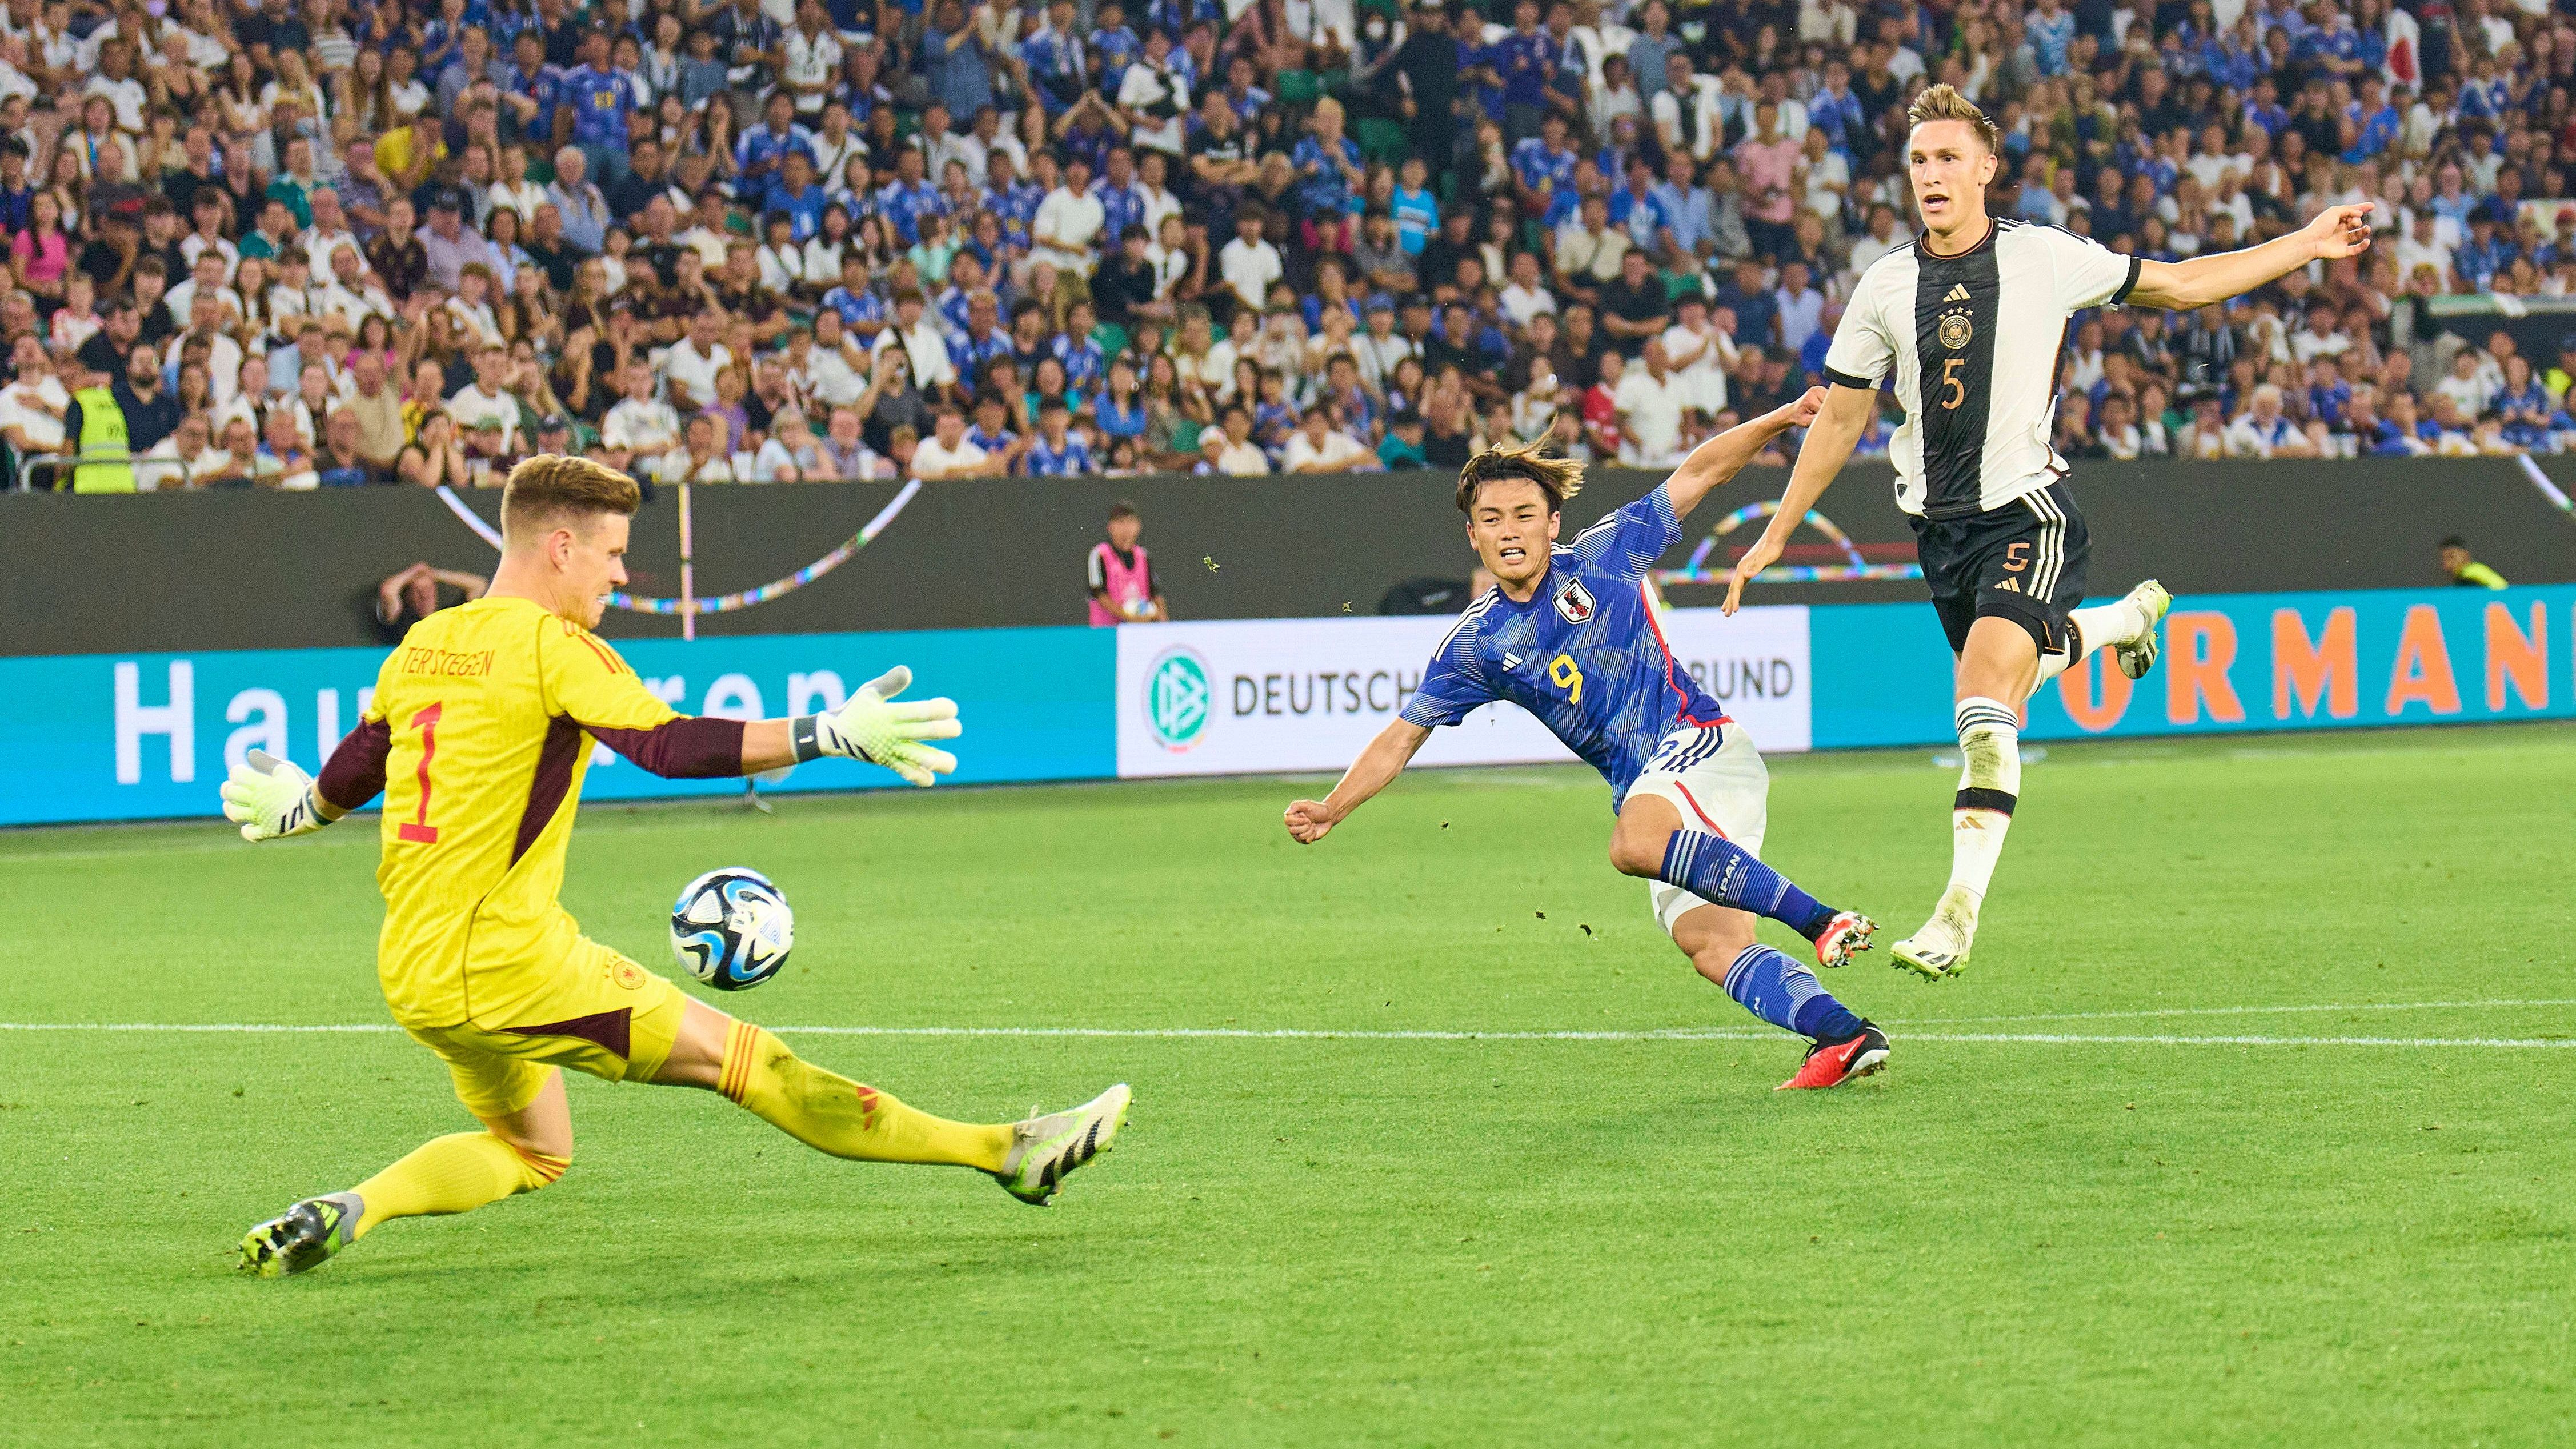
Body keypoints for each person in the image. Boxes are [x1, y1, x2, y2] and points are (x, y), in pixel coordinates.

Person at [223, 457, 1129, 1278]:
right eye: (613, 554)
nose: (621, 574)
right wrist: (826, 734)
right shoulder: (553, 649)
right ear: (562, 546)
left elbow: (356, 766)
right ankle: (1005, 1153)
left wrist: (300, 809)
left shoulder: (426, 644)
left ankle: (353, 1206)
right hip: (506, 965)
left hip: (414, 974)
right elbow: (667, 746)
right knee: (758, 1067)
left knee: (535, 1153)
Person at [1722, 84, 2374, 980]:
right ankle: (2120, 624)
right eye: (1918, 160)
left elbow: (2180, 287)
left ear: (1988, 169)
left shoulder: (2043, 258)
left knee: (1983, 705)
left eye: (1949, 157)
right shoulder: (1884, 284)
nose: (1931, 175)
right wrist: (1776, 533)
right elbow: (1837, 422)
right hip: (1941, 535)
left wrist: (2305, 241)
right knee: (2012, 683)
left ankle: (1956, 913)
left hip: (2030, 512)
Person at [1284, 404, 1890, 1091]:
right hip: (1651, 788)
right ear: (1473, 536)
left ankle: (1821, 919)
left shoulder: (1605, 555)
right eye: (1492, 519)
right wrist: (1335, 807)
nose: (1508, 530)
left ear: (1552, 523)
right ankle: (1843, 1034)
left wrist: (1785, 417)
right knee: (1710, 943)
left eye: (1522, 514)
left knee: (1633, 843)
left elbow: (1700, 472)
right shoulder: (1477, 644)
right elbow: (1402, 735)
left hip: (1699, 744)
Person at [1087, 500, 1164, 624]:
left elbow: (1156, 594)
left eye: (1130, 522)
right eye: (1120, 522)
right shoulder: (1100, 554)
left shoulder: (1144, 556)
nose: (1126, 528)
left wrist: (1163, 624)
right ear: (1110, 527)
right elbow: (1100, 595)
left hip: (1140, 631)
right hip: (1108, 633)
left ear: (1138, 526)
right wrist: (1130, 617)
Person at [373, 561, 490, 642]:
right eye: (418, 591)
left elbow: (479, 585)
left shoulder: (448, 615)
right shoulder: (401, 619)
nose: (424, 595)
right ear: (409, 596)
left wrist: (435, 574)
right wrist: (413, 572)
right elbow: (388, 592)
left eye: (428, 589)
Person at [2439, 535, 2508, 589]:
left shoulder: (2471, 572)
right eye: (2445, 559)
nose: (2449, 562)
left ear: (2466, 555)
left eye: (2452, 556)